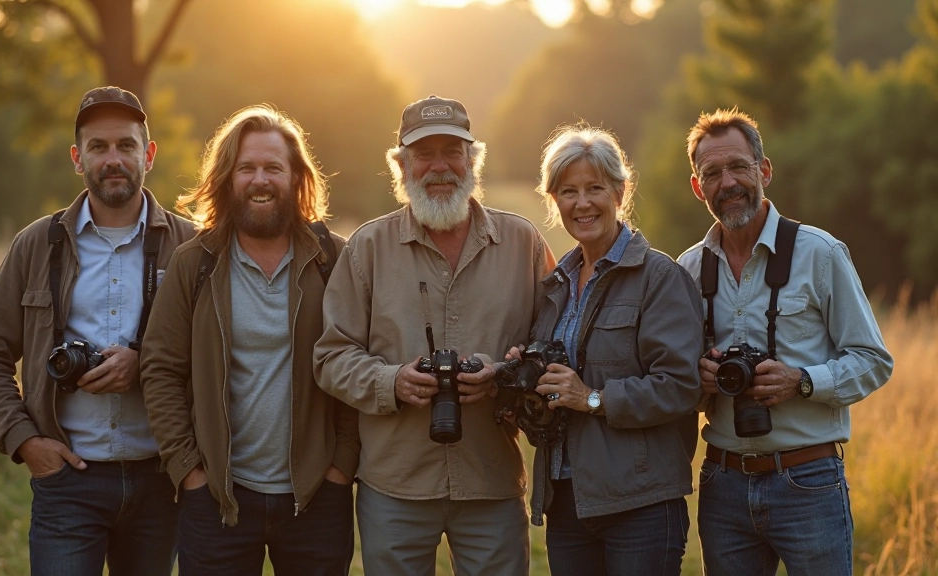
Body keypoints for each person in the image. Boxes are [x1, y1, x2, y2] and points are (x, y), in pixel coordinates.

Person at [314, 95, 555, 576]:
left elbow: (553, 348)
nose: (439, 167)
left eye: (452, 151)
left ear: (473, 160)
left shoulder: (522, 242)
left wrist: (503, 374)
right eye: (424, 154)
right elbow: (330, 358)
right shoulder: (368, 247)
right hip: (395, 484)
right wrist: (392, 382)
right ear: (401, 165)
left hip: (492, 479)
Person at [0, 86, 195, 575]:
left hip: (161, 479)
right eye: (98, 147)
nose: (113, 159)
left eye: (126, 146)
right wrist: (25, 441)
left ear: (149, 154)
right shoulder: (37, 244)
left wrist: (145, 364)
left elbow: (220, 353)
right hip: (68, 480)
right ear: (77, 158)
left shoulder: (190, 246)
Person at [138, 105, 359, 575]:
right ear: (227, 177)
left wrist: (341, 467)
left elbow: (360, 361)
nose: (261, 180)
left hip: (317, 500)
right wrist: (190, 473)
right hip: (218, 499)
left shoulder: (334, 259)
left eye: (273, 168)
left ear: (295, 176)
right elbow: (160, 369)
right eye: (247, 168)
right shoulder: (193, 263)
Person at [677, 108, 894, 576]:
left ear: (765, 170)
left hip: (809, 480)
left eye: (739, 166)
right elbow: (673, 381)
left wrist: (802, 381)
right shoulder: (688, 271)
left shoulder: (820, 252)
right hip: (723, 481)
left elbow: (874, 359)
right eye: (712, 173)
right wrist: (701, 380)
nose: (727, 182)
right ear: (698, 188)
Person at [508, 124, 703, 575]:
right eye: (568, 191)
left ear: (619, 191)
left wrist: (591, 398)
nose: (582, 203)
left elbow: (679, 387)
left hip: (641, 503)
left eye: (595, 188)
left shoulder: (659, 278)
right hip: (567, 500)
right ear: (554, 200)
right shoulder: (555, 285)